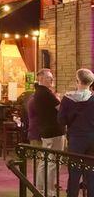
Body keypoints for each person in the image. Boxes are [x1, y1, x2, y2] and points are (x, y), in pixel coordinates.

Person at [58, 68, 94, 197]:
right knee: (91, 173)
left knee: (74, 172)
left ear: (77, 81)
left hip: (76, 139)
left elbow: (61, 120)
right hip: (92, 139)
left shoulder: (68, 99)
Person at [34, 68, 65, 197]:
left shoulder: (38, 92)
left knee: (44, 161)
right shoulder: (47, 93)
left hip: (46, 130)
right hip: (54, 131)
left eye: (52, 78)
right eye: (49, 78)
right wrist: (60, 99)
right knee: (53, 162)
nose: (52, 80)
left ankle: (40, 189)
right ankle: (50, 191)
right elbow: (61, 109)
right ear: (41, 78)